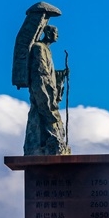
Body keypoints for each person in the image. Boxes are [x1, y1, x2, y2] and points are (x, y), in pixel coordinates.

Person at [24, 25, 70, 155]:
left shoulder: (46, 50)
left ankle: (54, 145)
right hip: (42, 92)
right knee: (48, 119)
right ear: (48, 33)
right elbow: (41, 73)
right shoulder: (39, 48)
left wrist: (60, 75)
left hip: (47, 91)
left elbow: (49, 74)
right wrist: (46, 93)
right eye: (55, 32)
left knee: (53, 121)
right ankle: (46, 146)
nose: (57, 35)